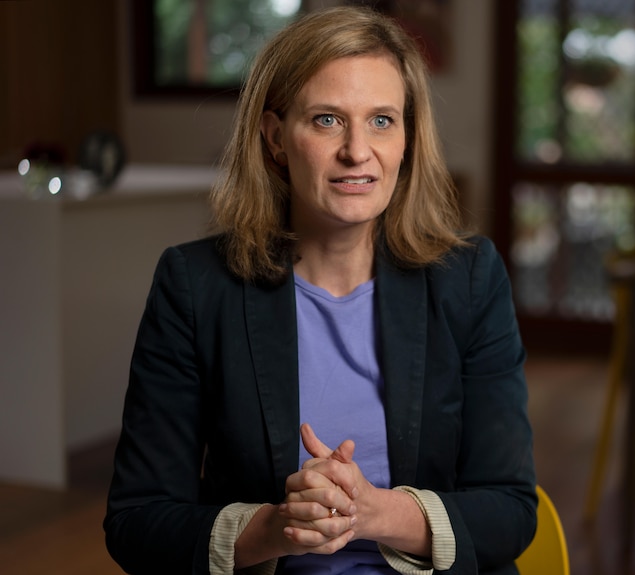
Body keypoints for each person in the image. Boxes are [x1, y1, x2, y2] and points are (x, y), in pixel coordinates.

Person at [104, 5, 536, 574]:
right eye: (327, 120)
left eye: (382, 119)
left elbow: (510, 509)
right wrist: (273, 527)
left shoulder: (470, 278)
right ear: (276, 137)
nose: (358, 151)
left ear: (408, 138)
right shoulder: (194, 286)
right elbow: (137, 522)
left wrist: (372, 512)